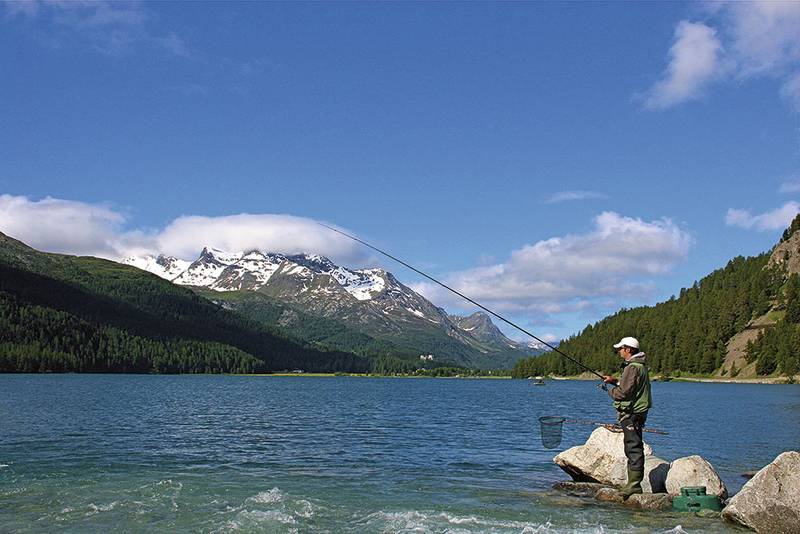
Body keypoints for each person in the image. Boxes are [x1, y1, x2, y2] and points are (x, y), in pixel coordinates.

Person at [603, 336, 652, 498]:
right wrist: (614, 381)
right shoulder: (639, 366)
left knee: (633, 446)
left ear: (628, 349)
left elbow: (623, 393)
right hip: (637, 411)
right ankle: (633, 483)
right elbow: (630, 385)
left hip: (632, 413)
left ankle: (634, 485)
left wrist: (609, 391)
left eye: (621, 349)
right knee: (633, 445)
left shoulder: (632, 367)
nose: (619, 351)